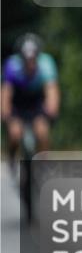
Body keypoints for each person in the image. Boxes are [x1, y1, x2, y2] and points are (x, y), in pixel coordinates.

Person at [1, 33, 60, 173]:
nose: (30, 63)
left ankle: (44, 163)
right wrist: (5, 112)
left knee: (42, 132)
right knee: (15, 133)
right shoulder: (12, 65)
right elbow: (6, 91)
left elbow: (52, 89)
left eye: (33, 59)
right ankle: (12, 156)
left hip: (36, 100)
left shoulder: (46, 63)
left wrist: (52, 108)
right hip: (18, 101)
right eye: (27, 59)